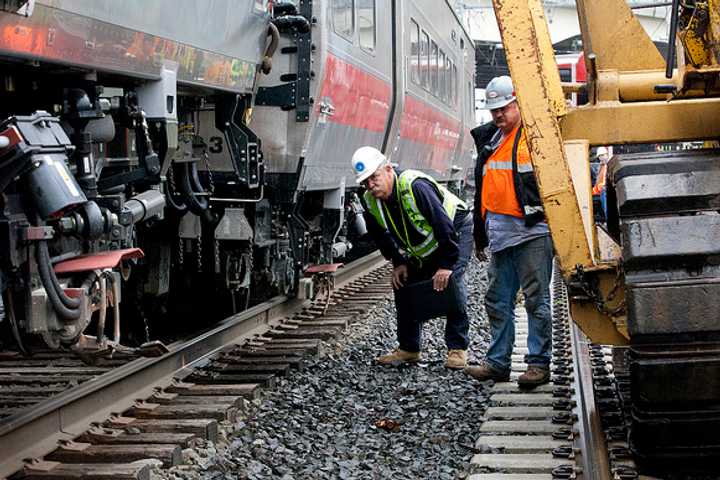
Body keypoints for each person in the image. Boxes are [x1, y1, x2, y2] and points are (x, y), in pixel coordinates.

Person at [465, 75, 554, 388]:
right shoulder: (491, 142)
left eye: (504, 108)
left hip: (532, 234)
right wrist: (480, 236)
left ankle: (538, 364)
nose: (498, 114)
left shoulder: (536, 136)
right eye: (494, 111)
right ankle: (498, 363)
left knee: (536, 301)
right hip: (501, 235)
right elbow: (483, 194)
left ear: (518, 103)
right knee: (497, 300)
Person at [351, 146, 473, 369]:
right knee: (402, 283)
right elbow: (380, 235)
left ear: (388, 169)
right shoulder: (370, 200)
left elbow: (443, 226)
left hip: (455, 231)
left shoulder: (415, 186)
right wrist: (398, 263)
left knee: (451, 283)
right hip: (430, 242)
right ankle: (409, 348)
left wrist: (445, 265)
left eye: (374, 178)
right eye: (365, 181)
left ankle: (457, 348)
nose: (370, 185)